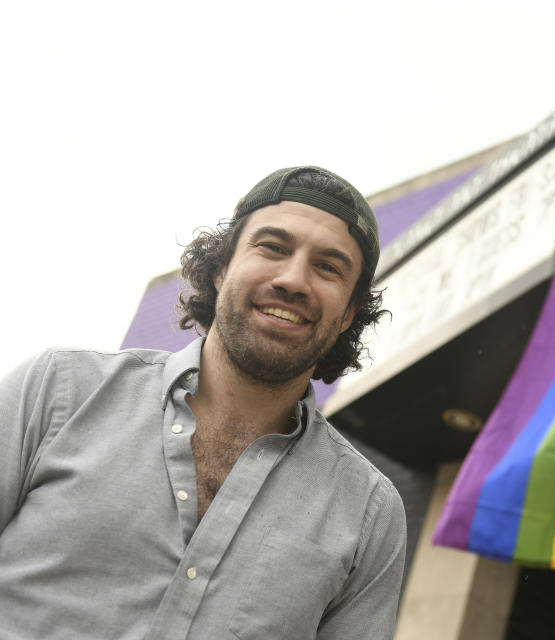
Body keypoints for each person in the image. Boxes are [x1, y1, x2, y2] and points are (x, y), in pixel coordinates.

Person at [0, 166, 406, 639]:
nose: (294, 280)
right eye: (273, 247)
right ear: (220, 269)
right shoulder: (59, 391)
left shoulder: (369, 514)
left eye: (328, 267)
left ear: (347, 316)